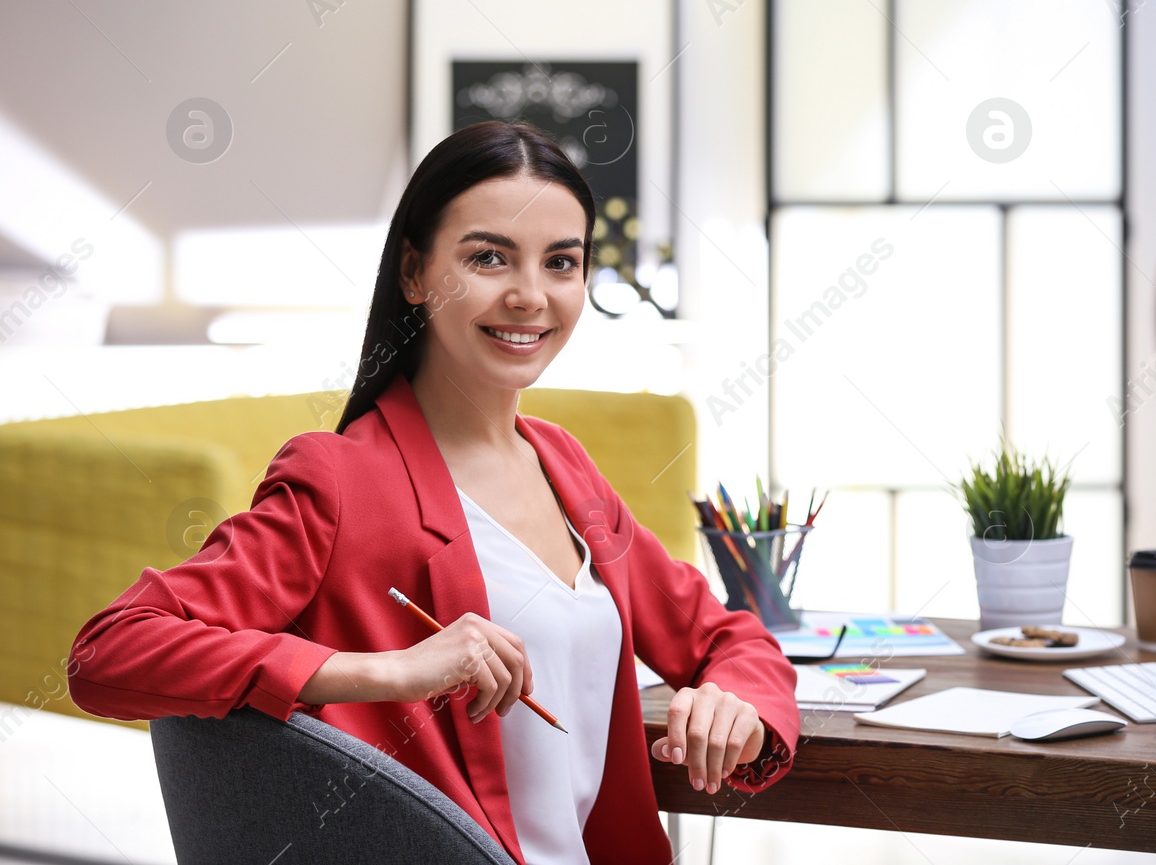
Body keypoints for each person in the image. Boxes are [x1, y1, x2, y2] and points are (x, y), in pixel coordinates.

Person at [68, 119, 799, 865]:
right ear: (414, 273)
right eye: (489, 256)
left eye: (561, 262)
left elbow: (731, 635)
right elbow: (108, 652)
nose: (529, 295)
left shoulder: (565, 467)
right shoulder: (340, 478)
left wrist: (732, 699)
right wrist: (386, 671)